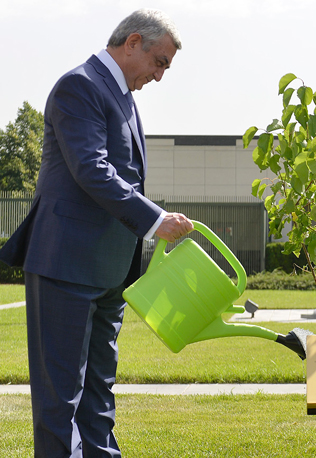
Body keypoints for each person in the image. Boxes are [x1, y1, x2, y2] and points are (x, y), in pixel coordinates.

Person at [0, 9, 193, 457]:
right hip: (65, 266)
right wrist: (155, 220)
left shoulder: (122, 95)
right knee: (60, 400)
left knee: (98, 397)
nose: (160, 76)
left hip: (109, 273)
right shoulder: (80, 86)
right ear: (132, 42)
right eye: (160, 62)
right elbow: (92, 169)